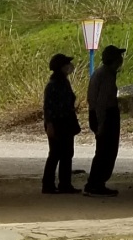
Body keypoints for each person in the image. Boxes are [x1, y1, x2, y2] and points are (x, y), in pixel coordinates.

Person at [84, 44, 125, 197]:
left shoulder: (99, 72)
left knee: (102, 151)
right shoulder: (107, 75)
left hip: (97, 114)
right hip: (105, 115)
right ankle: (96, 183)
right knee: (106, 151)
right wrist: (101, 123)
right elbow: (101, 102)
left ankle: (95, 183)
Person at [42, 53, 80, 194]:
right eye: (66, 64)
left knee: (66, 154)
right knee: (56, 154)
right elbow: (48, 107)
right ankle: (49, 184)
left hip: (65, 122)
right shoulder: (54, 85)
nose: (69, 67)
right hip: (58, 123)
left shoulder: (63, 82)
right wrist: (49, 124)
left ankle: (64, 184)